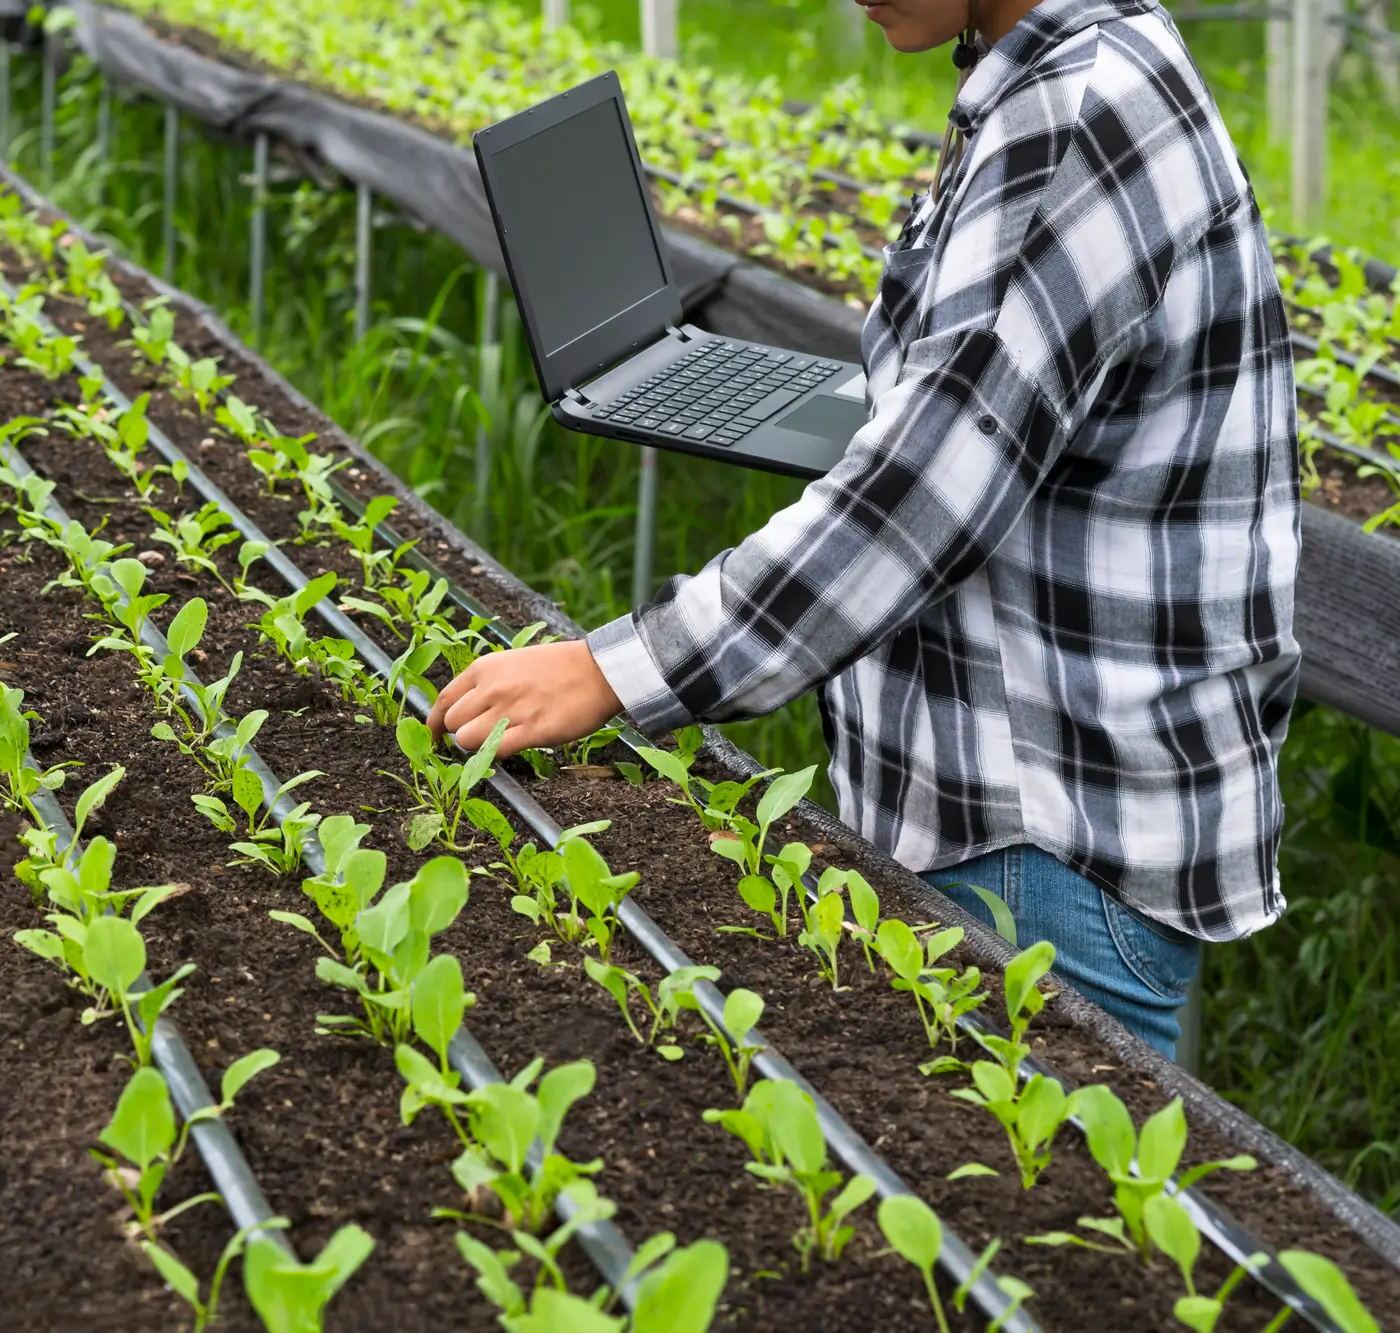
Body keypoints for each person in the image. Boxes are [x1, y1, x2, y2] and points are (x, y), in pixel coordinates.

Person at [426, 0, 1300, 1059]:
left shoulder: (1073, 121)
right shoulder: (1054, 70)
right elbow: (959, 429)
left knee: (1023, 1216)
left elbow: (912, 511)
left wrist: (612, 672)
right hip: (1027, 825)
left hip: (1042, 850)